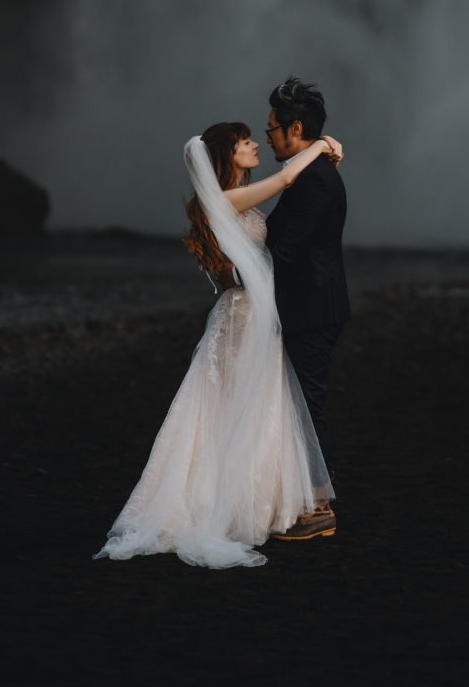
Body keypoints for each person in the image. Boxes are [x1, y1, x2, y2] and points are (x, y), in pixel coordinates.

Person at [92, 121, 342, 569]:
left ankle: (257, 502)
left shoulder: (231, 202)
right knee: (235, 407)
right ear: (228, 156)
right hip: (244, 317)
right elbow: (286, 179)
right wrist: (322, 145)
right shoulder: (226, 200)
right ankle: (228, 505)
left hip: (252, 314)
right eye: (245, 141)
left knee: (253, 406)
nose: (253, 144)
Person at [265, 77, 350, 541]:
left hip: (313, 309)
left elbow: (288, 248)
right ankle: (305, 499)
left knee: (308, 405)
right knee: (301, 402)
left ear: (296, 128)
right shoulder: (308, 172)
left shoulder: (314, 181)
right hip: (309, 305)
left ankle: (319, 506)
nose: (269, 137)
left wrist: (237, 278)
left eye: (273, 129)